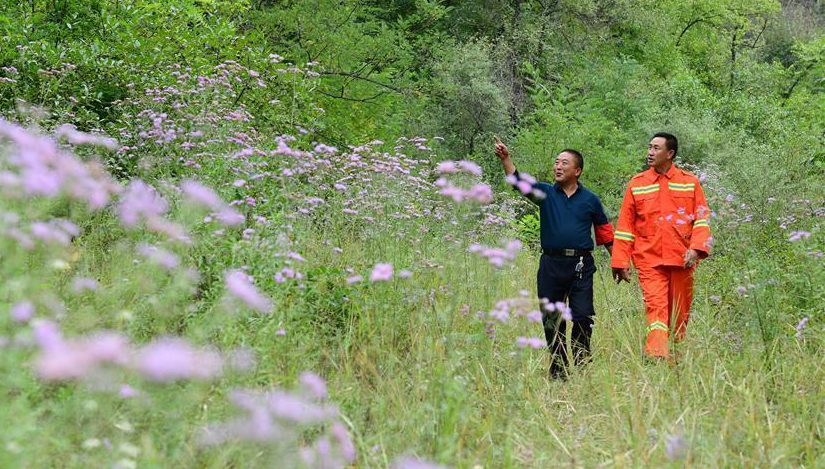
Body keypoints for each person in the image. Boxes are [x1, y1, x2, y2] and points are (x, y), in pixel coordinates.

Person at [494, 137, 614, 379]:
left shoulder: (590, 199)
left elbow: (604, 231)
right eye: (557, 162)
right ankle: (558, 368)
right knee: (551, 318)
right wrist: (506, 158)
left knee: (582, 315)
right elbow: (517, 182)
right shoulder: (546, 193)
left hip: (581, 265)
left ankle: (581, 362)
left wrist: (619, 262)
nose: (558, 166)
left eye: (564, 163)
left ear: (577, 171)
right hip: (551, 264)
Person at [611, 132, 711, 358]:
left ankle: (674, 360)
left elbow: (702, 219)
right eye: (649, 147)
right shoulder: (637, 184)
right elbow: (625, 226)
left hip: (682, 260)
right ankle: (657, 356)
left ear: (670, 153)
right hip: (649, 260)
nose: (650, 152)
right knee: (656, 308)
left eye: (656, 148)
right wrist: (620, 261)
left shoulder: (690, 182)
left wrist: (696, 248)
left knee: (679, 313)